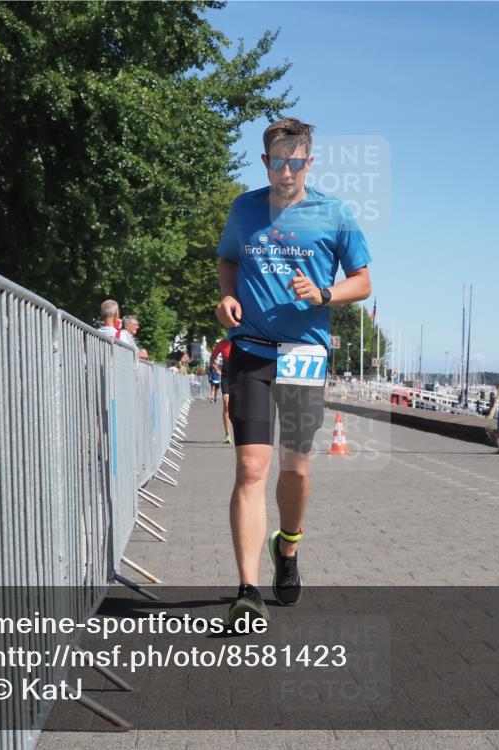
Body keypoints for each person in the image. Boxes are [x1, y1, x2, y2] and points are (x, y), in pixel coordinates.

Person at [215, 117, 372, 625]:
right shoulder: (244, 209)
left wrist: (325, 294)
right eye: (277, 161)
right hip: (253, 351)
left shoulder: (334, 213)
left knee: (295, 470)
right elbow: (228, 261)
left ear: (310, 160)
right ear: (265, 162)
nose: (286, 170)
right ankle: (247, 588)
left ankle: (288, 547)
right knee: (250, 469)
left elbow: (363, 282)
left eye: (296, 161)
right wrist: (226, 298)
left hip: (304, 352)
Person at [209, 337, 233, 443]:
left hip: (239, 375)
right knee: (226, 404)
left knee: (239, 405)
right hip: (226, 375)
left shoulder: (240, 341)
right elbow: (212, 358)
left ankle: (242, 432)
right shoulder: (222, 344)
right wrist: (216, 369)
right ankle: (228, 434)